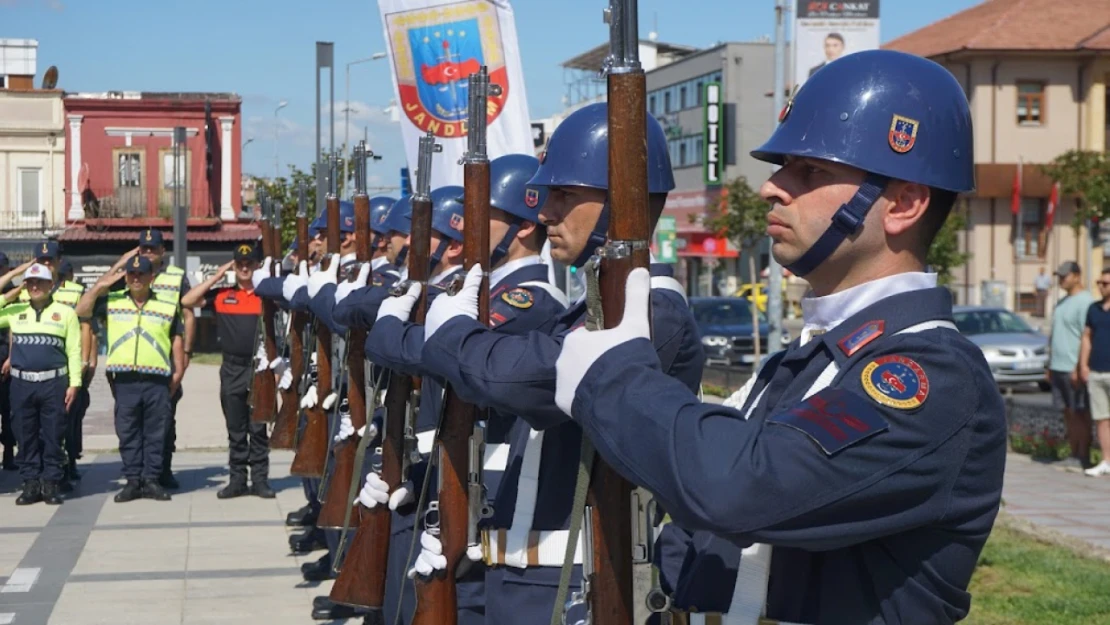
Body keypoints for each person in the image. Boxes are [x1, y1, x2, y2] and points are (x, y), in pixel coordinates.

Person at [548, 49, 1007, 624]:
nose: (771, 187)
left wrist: (613, 377)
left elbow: (740, 488)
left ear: (905, 203)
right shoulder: (813, 356)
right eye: (782, 166)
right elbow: (701, 534)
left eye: (811, 171)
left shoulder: (931, 375)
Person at [407, 102, 705, 625]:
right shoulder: (585, 310)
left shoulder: (655, 309)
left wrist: (451, 332)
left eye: (564, 195)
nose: (545, 213)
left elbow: (523, 380)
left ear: (623, 203)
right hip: (520, 574)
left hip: (575, 581)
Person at [357, 156, 570, 625]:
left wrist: (394, 330)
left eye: (483, 217)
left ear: (521, 228)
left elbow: (428, 351)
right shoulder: (479, 293)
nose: (467, 231)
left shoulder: (530, 301)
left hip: (485, 493)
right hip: (445, 476)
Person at [77, 254, 185, 502]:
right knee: (128, 432)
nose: (136, 278)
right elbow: (81, 311)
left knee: (156, 432)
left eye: (141, 274)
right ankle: (133, 481)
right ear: (126, 277)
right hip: (124, 379)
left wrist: (177, 371)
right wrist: (101, 286)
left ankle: (151, 480)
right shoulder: (112, 301)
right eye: (132, 274)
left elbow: (176, 338)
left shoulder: (167, 306)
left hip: (157, 379)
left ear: (151, 277)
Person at [181, 242, 275, 499]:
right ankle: (237, 480)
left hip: (259, 367)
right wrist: (217, 276)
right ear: (235, 265)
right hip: (232, 368)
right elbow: (187, 301)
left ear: (257, 265)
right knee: (236, 428)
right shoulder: (222, 295)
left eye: (250, 263)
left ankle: (260, 480)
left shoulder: (267, 295)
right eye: (240, 264)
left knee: (258, 428)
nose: (245, 268)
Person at [0, 263, 82, 505]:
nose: (35, 287)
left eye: (40, 282)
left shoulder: (65, 313)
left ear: (51, 284)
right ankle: (31, 484)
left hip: (53, 383)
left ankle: (51, 484)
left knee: (53, 435)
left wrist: (74, 383)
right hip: (22, 384)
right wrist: (13, 287)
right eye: (30, 283)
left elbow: (74, 350)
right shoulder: (15, 312)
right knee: (25, 436)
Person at [123, 229, 193, 489]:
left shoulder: (177, 277)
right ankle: (138, 474)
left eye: (153, 248)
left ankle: (162, 470)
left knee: (165, 419)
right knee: (135, 422)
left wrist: (185, 355)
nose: (149, 252)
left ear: (163, 251)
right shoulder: (131, 274)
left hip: (167, 354)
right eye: (144, 248)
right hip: (138, 357)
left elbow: (188, 314)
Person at [1048, 260, 1095, 469]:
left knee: (1079, 412)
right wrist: (1048, 365)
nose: (1061, 280)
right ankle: (1072, 451)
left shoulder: (1085, 302)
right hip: (1057, 365)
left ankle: (1082, 455)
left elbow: (1087, 336)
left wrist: (1080, 366)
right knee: (1067, 411)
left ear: (1077, 276)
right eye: (1059, 276)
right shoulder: (1062, 302)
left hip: (1072, 365)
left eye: (1064, 276)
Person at [1081, 269, 1110, 476]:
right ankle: (1106, 461)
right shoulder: (1094, 309)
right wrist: (1083, 365)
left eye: (1106, 283)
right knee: (1101, 418)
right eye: (1099, 282)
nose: (1101, 286)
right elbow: (1086, 338)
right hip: (1097, 371)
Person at [0, 251, 15, 471]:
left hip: (5, 355)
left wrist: (12, 357)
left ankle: (9, 453)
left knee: (8, 409)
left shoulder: (14, 292)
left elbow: (15, 328)